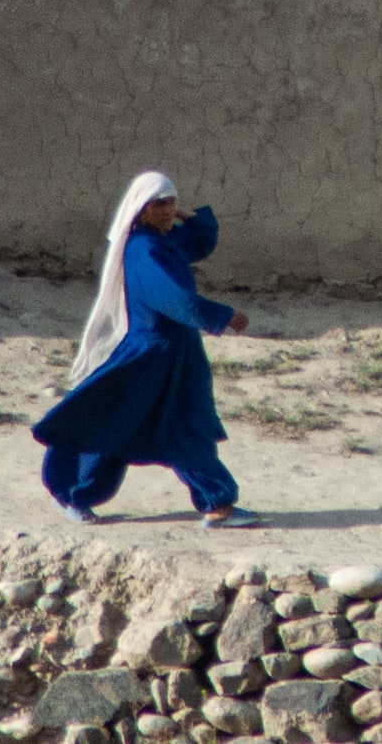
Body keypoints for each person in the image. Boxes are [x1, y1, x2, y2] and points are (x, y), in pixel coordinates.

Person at [33, 170, 264, 529]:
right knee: (110, 423)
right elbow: (174, 300)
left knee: (189, 427)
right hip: (147, 356)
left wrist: (183, 212)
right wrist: (222, 316)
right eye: (160, 204)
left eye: (172, 201)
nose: (169, 210)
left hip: (180, 355)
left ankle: (218, 506)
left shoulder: (165, 241)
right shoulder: (145, 250)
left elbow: (200, 240)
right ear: (140, 210)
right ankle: (74, 493)